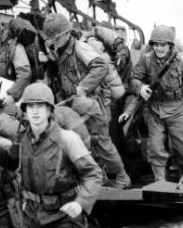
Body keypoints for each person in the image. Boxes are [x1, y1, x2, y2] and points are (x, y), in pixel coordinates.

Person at [2, 83, 102, 228]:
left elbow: (93, 174)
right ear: (24, 111)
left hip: (65, 214)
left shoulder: (67, 138)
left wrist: (81, 203)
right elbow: (9, 162)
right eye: (30, 106)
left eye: (40, 106)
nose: (35, 111)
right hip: (35, 216)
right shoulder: (22, 139)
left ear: (49, 110)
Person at [121, 25, 183, 185]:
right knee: (155, 148)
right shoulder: (146, 59)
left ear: (170, 45)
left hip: (178, 107)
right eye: (156, 44)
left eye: (163, 44)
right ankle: (160, 182)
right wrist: (140, 87)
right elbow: (134, 79)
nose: (159, 48)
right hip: (155, 108)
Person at [41, 13, 131, 189]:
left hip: (94, 103)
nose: (53, 42)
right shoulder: (59, 51)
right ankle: (100, 177)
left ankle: (122, 177)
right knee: (85, 142)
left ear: (66, 34)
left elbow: (101, 66)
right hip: (75, 104)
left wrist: (83, 87)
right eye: (51, 39)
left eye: (56, 37)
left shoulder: (80, 48)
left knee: (101, 142)